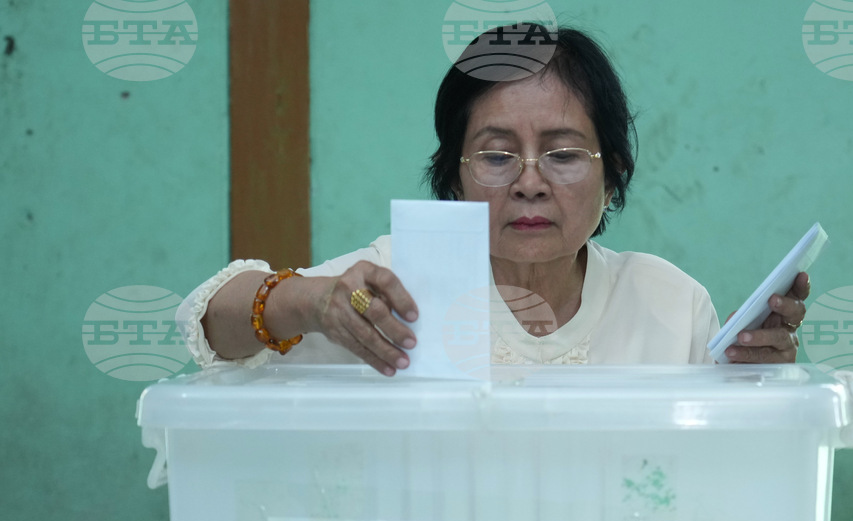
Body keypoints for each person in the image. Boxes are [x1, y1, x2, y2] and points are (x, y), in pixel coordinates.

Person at [178, 24, 808, 375]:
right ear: (453, 178)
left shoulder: (670, 305)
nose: (530, 182)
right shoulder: (394, 285)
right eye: (497, 154)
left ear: (612, 176)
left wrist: (759, 382)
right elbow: (207, 324)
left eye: (563, 154)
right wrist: (310, 302)